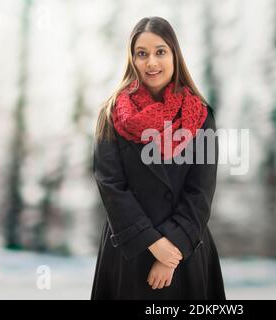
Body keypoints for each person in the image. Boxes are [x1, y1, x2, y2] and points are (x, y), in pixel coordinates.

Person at [90, 16, 226, 300]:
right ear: (132, 60)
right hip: (128, 250)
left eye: (160, 51)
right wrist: (152, 242)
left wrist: (170, 252)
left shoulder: (201, 116)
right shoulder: (111, 114)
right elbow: (111, 186)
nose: (151, 62)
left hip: (185, 252)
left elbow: (201, 192)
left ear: (174, 55)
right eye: (142, 54)